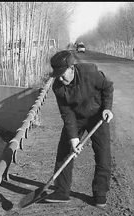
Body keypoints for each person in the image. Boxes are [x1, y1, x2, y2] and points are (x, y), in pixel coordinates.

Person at [45, 50, 114, 207]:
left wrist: (107, 108)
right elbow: (66, 113)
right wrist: (74, 138)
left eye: (63, 74)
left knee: (103, 154)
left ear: (71, 68)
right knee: (64, 151)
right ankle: (62, 192)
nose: (61, 79)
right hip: (76, 118)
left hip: (97, 115)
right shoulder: (57, 87)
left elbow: (108, 88)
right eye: (57, 75)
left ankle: (100, 194)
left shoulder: (90, 73)